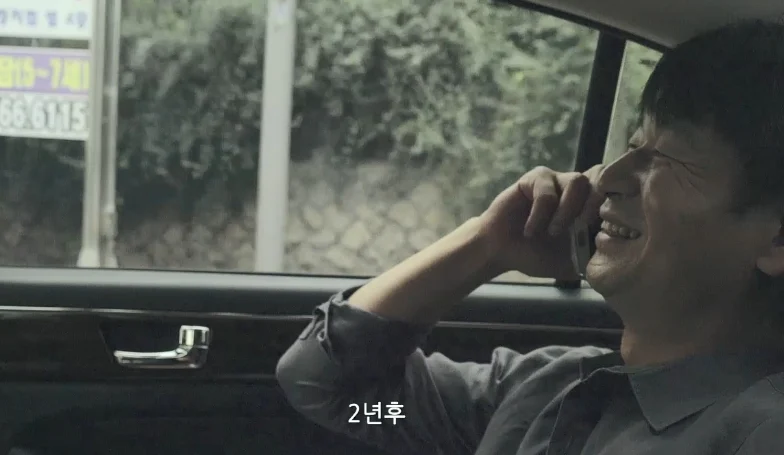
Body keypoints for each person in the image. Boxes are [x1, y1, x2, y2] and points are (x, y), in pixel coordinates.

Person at [276, 19, 784, 455]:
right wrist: (487, 244)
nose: (609, 176)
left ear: (777, 240)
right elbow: (338, 395)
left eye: (667, 158)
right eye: (633, 145)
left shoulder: (760, 433)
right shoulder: (535, 393)